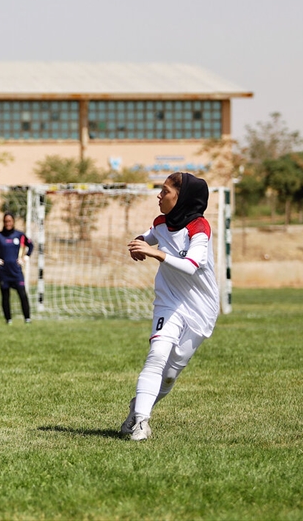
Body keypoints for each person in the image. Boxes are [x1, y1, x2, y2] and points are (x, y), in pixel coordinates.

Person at [120, 172, 219, 441]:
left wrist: (156, 253)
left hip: (202, 309)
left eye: (165, 191)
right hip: (169, 301)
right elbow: (148, 236)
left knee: (171, 373)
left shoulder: (199, 228)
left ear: (182, 197)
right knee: (157, 354)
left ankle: (138, 406)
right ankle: (141, 421)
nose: (159, 196)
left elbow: (191, 266)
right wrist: (137, 244)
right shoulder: (161, 222)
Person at [0, 213, 34, 324]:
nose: (8, 223)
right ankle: (8, 320)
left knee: (22, 294)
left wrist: (26, 257)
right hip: (3, 271)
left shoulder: (19, 235)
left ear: (13, 222)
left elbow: (31, 245)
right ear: (3, 222)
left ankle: (27, 318)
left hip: (16, 271)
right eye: (6, 221)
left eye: (10, 221)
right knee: (5, 296)